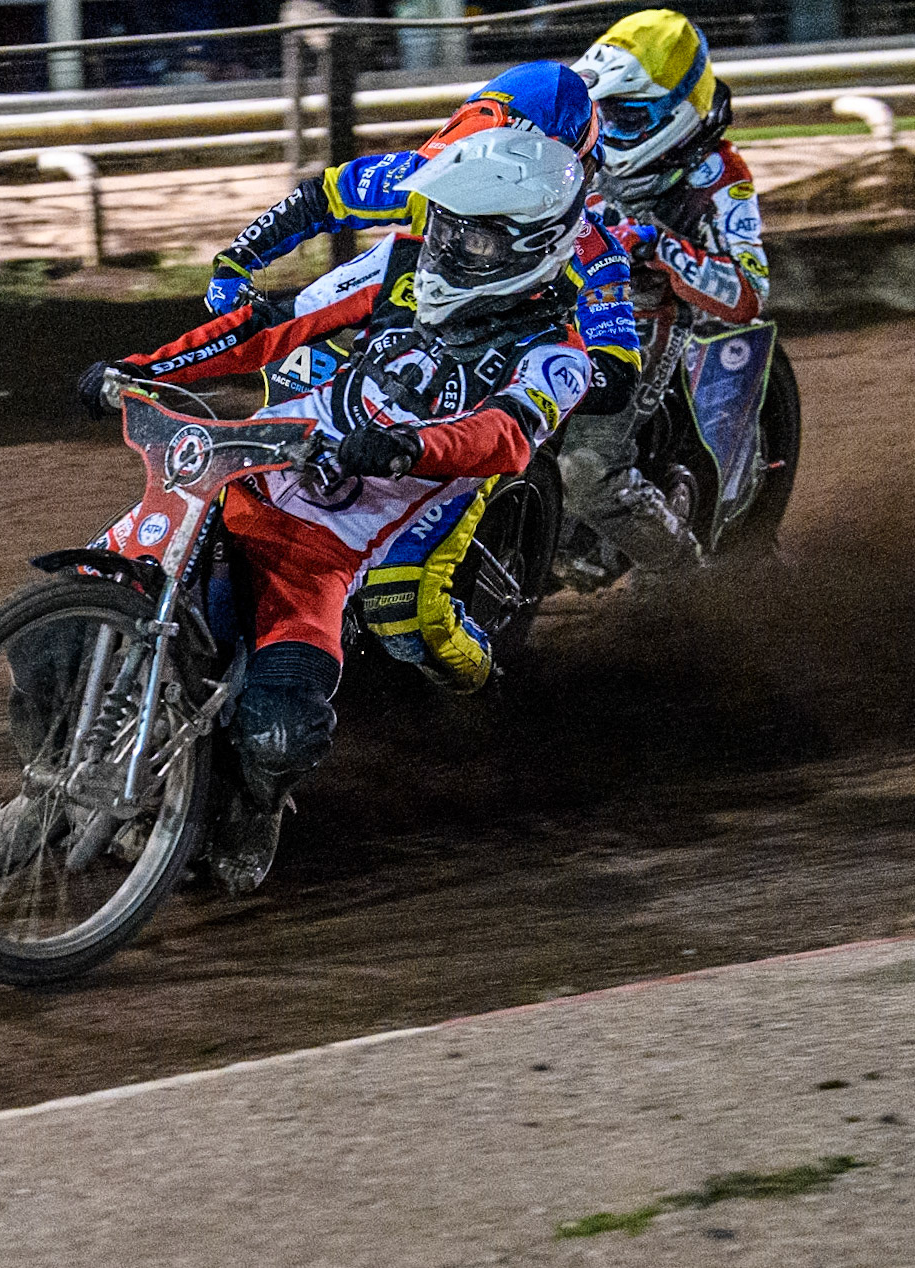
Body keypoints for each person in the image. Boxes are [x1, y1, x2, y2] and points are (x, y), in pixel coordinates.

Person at [76, 128, 596, 893]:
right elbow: (266, 329)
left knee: (279, 732)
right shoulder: (397, 266)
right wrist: (139, 369)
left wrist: (408, 449)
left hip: (322, 556)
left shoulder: (558, 355)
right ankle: (47, 770)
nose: (447, 249)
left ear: (536, 246)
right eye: (445, 225)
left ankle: (256, 800)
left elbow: (503, 436)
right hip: (238, 477)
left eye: (474, 239)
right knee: (69, 622)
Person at [203, 61, 641, 691]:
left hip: (481, 400)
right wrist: (238, 261)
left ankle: (495, 691)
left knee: (404, 610)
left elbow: (618, 371)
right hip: (389, 345)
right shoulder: (433, 170)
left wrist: (547, 378)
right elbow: (321, 196)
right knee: (279, 397)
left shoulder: (592, 247)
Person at [569, 9, 768, 570]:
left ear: (680, 113)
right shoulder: (576, 146)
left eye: (626, 116)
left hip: (647, 317)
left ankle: (685, 574)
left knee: (585, 471)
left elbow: (749, 292)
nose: (607, 131)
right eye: (599, 113)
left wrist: (660, 246)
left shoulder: (718, 174)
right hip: (554, 302)